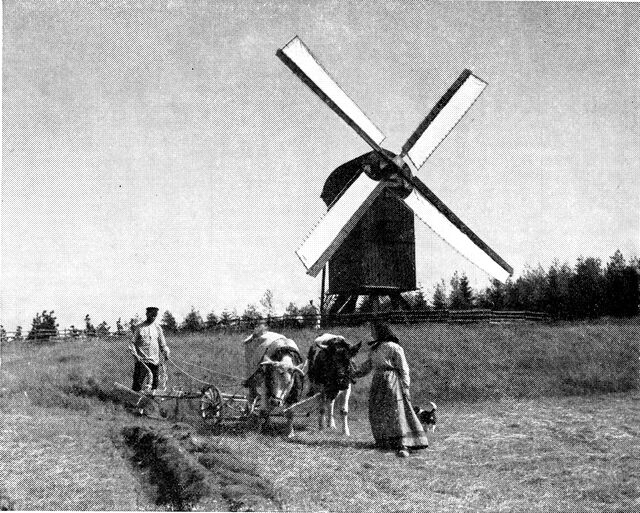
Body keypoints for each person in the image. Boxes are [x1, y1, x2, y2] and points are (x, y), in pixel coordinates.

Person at [354, 322, 429, 457]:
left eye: (373, 331)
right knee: (378, 410)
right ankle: (385, 441)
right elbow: (367, 366)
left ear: (381, 332)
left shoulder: (394, 347)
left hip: (392, 381)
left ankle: (404, 444)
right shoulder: (374, 349)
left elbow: (404, 368)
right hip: (378, 382)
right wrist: (353, 373)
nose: (372, 334)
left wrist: (405, 387)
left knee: (395, 410)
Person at [129, 307, 170, 392]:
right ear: (147, 314)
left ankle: (150, 403)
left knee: (154, 385)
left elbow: (163, 344)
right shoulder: (139, 328)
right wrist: (135, 355)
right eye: (151, 315)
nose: (153, 317)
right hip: (142, 361)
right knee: (137, 385)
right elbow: (132, 343)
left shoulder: (158, 328)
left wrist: (166, 351)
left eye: (155, 316)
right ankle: (132, 403)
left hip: (155, 361)